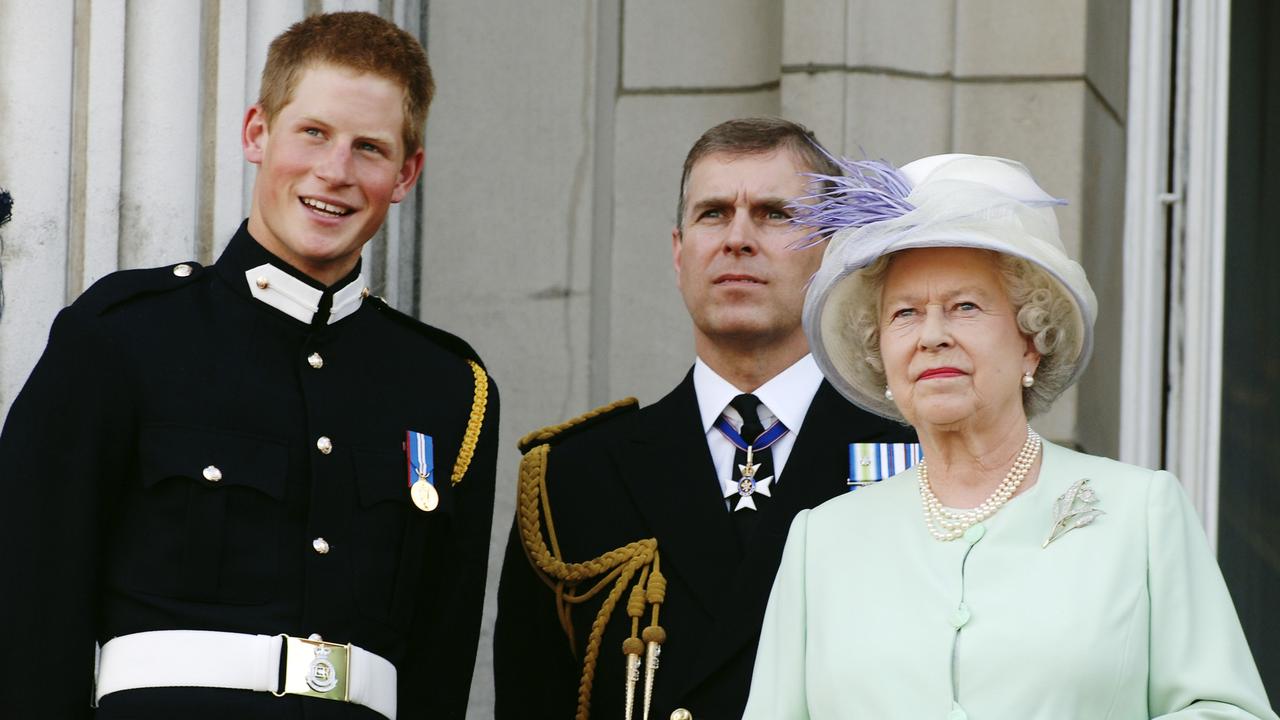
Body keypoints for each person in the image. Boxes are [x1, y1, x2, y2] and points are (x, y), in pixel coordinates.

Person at [0, 12, 498, 719]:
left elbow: (439, 664)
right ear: (257, 133)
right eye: (314, 133)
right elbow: (27, 607)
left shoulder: (448, 387)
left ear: (406, 173)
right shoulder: (124, 335)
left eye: (369, 148)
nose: (336, 172)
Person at [743, 153, 1277, 719]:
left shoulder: (1141, 513)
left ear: (1031, 340)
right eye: (904, 313)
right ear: (881, 353)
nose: (932, 336)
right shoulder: (822, 541)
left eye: (965, 307)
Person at [492, 118, 915, 720]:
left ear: (832, 250)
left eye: (774, 214)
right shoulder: (573, 478)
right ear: (678, 250)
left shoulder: (914, 456)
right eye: (713, 213)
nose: (737, 238)